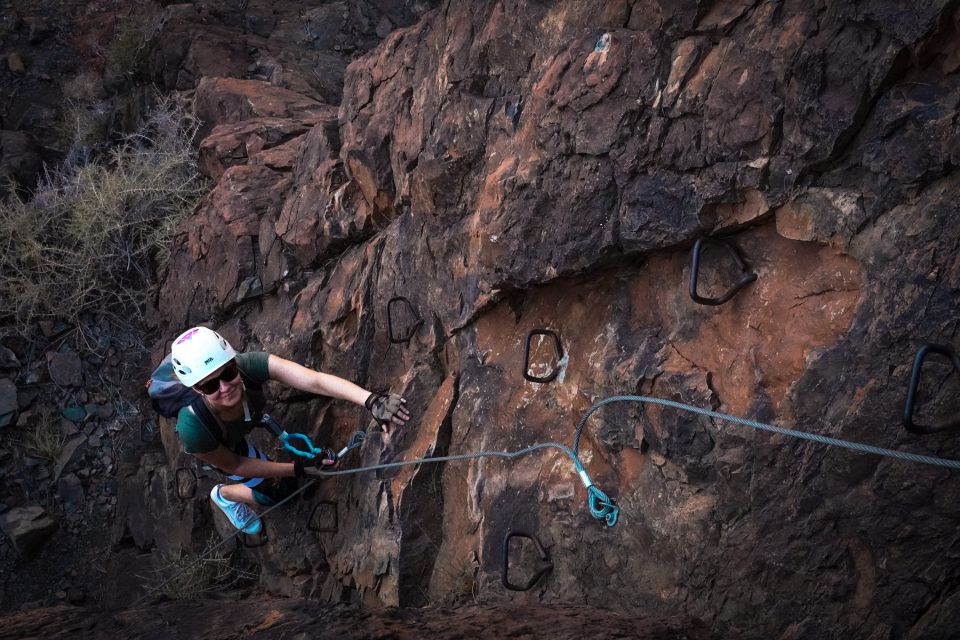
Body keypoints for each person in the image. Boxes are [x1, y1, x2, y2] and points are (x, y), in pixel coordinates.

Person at [169, 326, 410, 534]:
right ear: (198, 390)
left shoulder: (249, 365)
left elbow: (315, 381)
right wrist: (298, 469)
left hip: (244, 420)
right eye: (211, 385)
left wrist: (371, 401)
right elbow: (235, 464)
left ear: (234, 363)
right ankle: (224, 495)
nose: (224, 387)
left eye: (228, 374)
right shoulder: (194, 429)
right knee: (281, 493)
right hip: (226, 446)